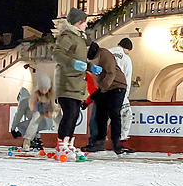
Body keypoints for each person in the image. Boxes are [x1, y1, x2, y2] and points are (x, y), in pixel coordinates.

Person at [53, 8, 89, 157]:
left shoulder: (80, 38)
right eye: (85, 22)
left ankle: (68, 142)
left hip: (77, 82)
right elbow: (57, 53)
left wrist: (90, 66)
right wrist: (72, 63)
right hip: (67, 81)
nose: (87, 25)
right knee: (70, 113)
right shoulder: (67, 36)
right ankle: (61, 143)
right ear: (78, 22)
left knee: (74, 114)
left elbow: (82, 60)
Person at [84, 41, 130, 154]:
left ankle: (116, 143)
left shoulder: (104, 54)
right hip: (104, 87)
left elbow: (111, 73)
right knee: (100, 115)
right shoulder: (88, 58)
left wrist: (101, 89)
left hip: (117, 86)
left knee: (114, 114)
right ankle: (98, 142)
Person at [108, 38, 134, 145]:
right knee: (126, 114)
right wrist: (125, 95)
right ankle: (121, 137)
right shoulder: (126, 59)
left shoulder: (108, 53)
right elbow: (127, 78)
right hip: (119, 89)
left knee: (104, 115)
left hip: (105, 87)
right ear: (128, 49)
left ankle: (98, 140)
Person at [22, 74, 54, 150]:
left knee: (59, 121)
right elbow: (32, 104)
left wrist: (51, 112)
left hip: (49, 108)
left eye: (45, 89)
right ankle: (27, 140)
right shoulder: (36, 93)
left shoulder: (52, 94)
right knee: (34, 122)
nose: (43, 91)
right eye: (41, 89)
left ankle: (64, 141)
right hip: (39, 108)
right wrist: (35, 109)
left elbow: (54, 104)